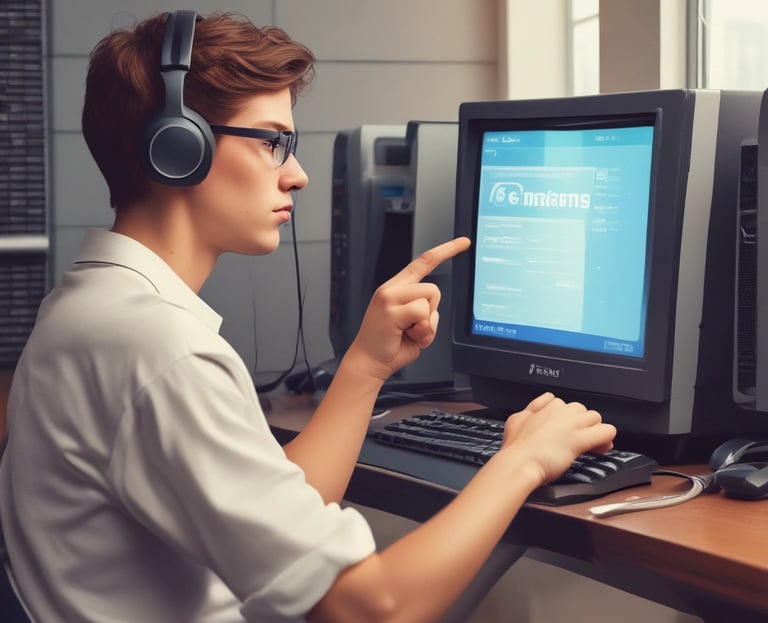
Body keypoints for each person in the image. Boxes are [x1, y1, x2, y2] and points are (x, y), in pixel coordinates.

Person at [0, 9, 616, 623]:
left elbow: (280, 511)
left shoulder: (92, 311)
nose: (297, 175)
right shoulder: (159, 350)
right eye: (273, 142)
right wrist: (523, 461)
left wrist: (366, 365)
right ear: (177, 148)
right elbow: (368, 610)